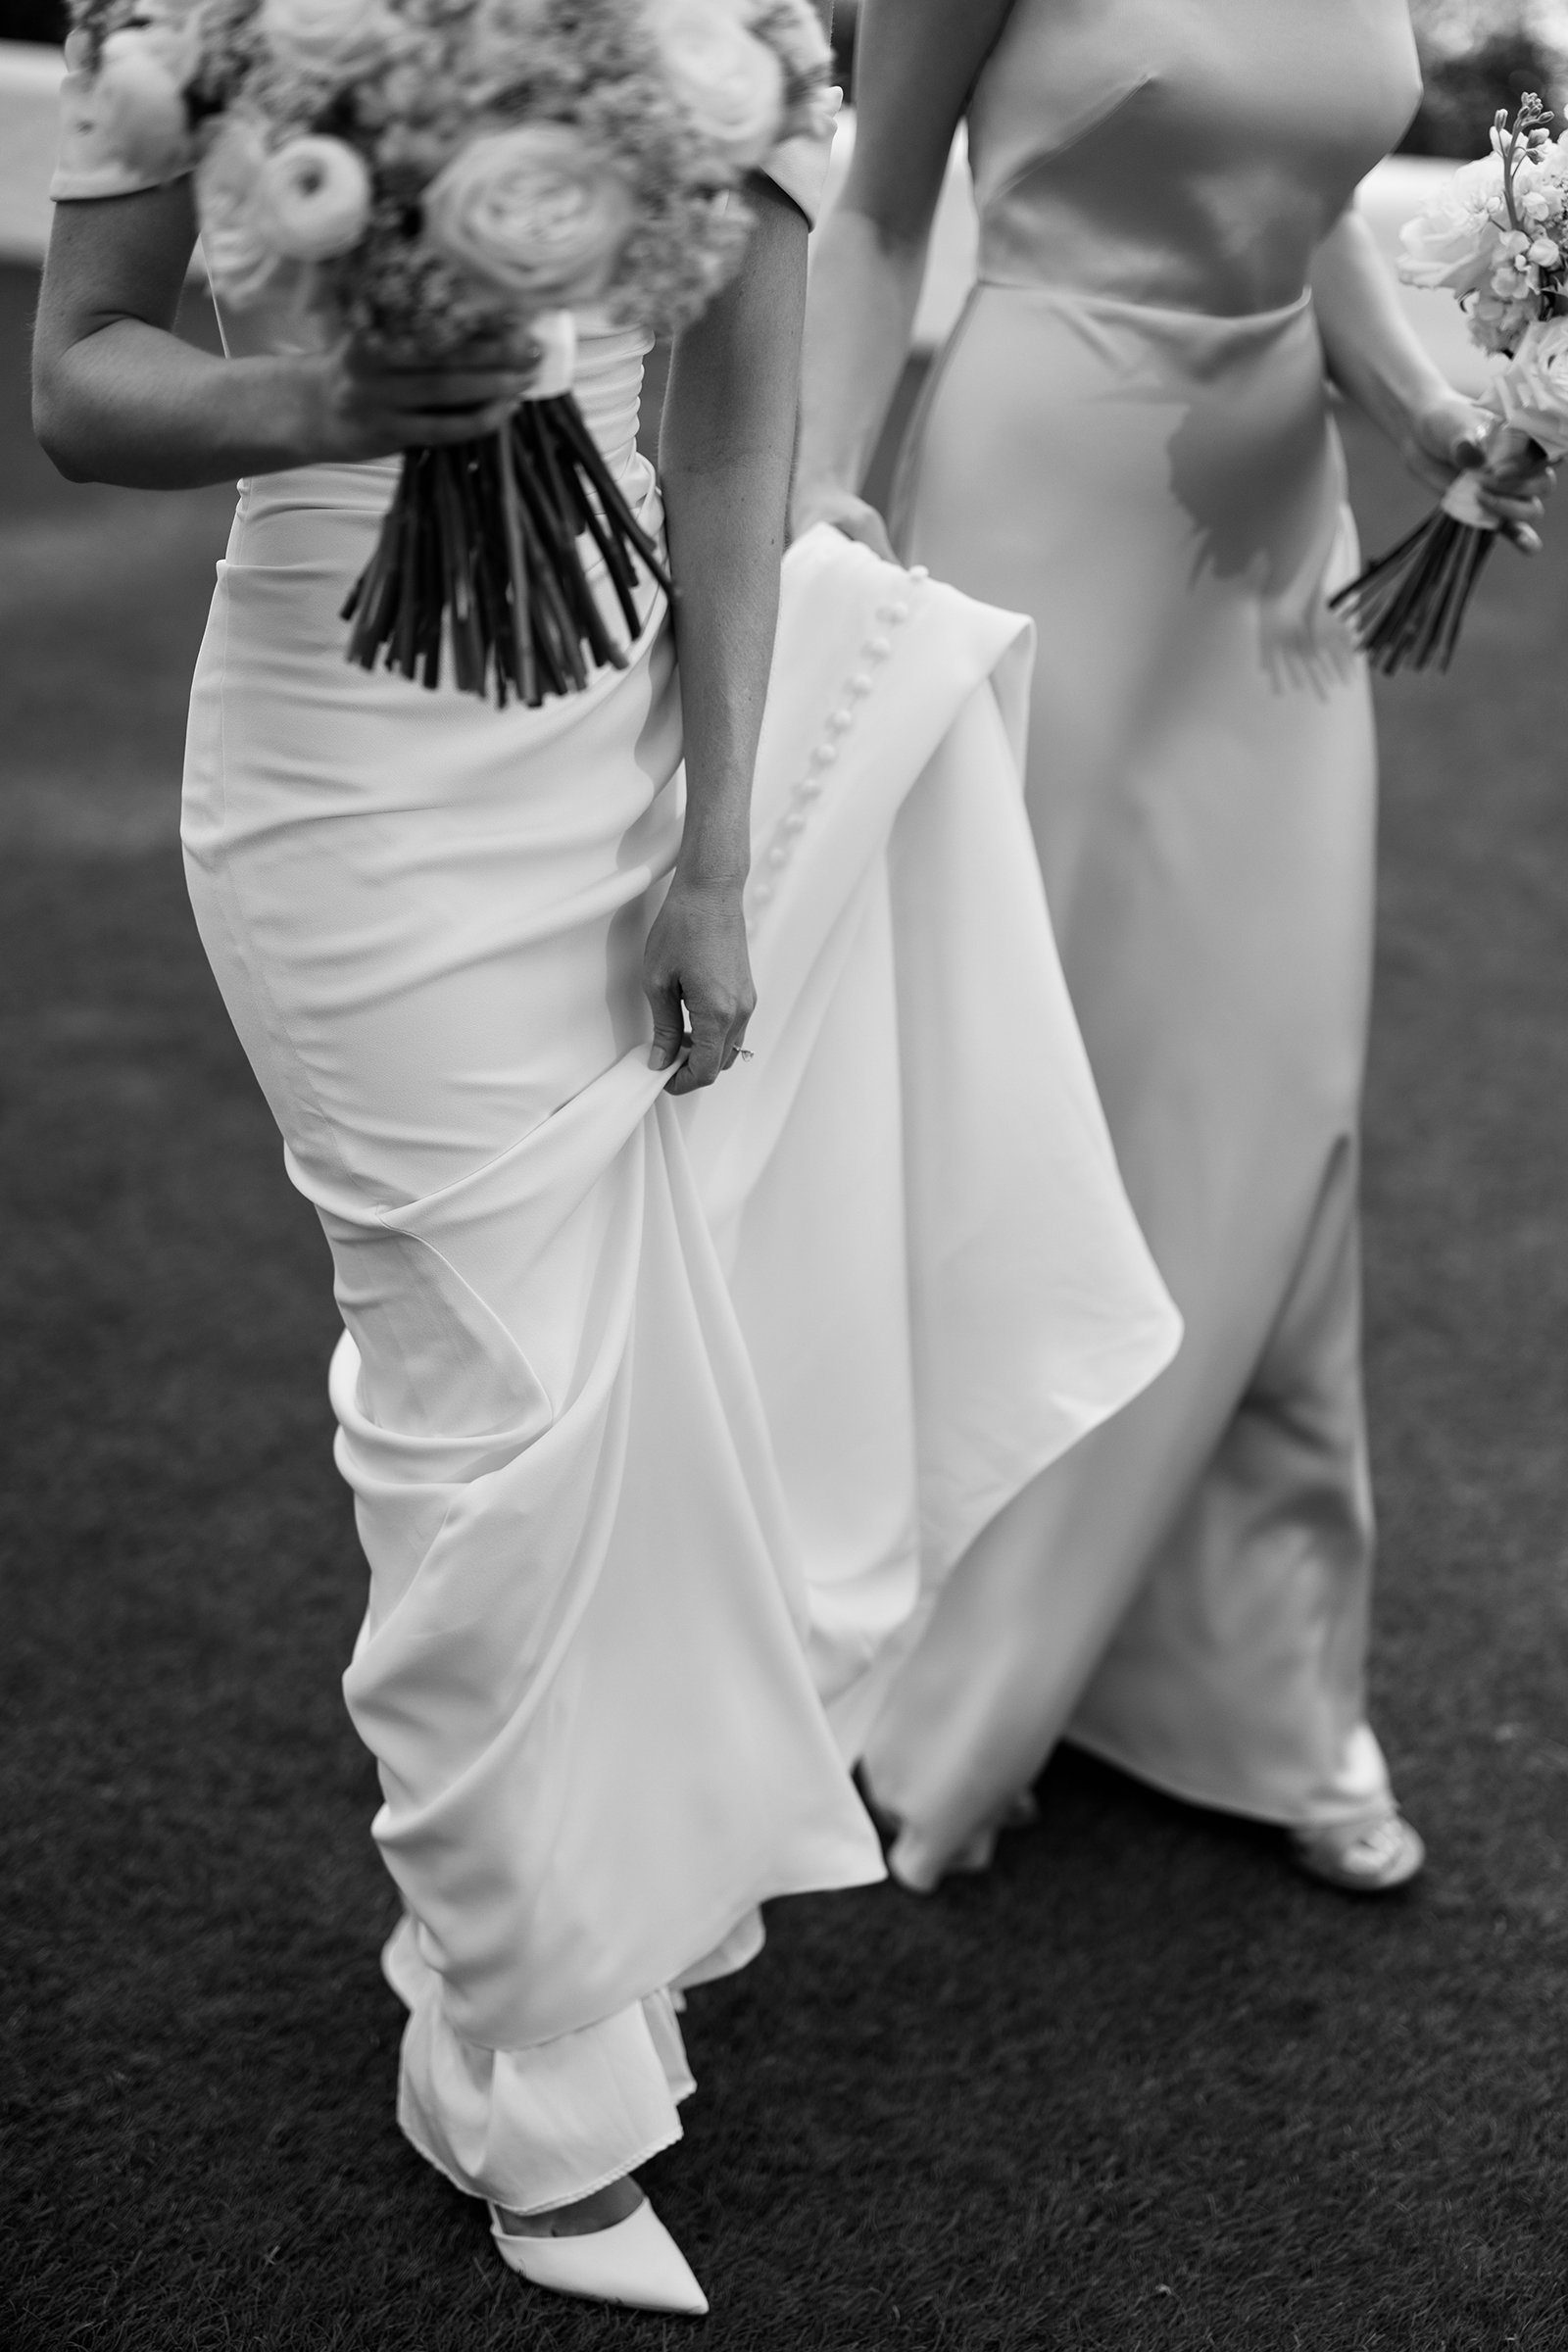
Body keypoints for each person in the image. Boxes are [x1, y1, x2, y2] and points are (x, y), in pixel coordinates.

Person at [32, 10, 1179, 2317]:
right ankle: (529, 2066)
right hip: (341, 765)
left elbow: (737, 408)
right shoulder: (190, 18)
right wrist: (341, 403)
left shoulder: (728, 13)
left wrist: (719, 848)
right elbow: (83, 378)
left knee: (639, 1371)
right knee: (486, 1412)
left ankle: (554, 1921)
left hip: (624, 733)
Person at [793, 0, 1553, 1897]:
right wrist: (812, 490)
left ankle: (1256, 1686)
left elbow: (1297, 211)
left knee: (1269, 1097)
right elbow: (875, 207)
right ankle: (954, 1668)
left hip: (1267, 536)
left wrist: (1437, 410)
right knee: (1031, 1070)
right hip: (1043, 494)